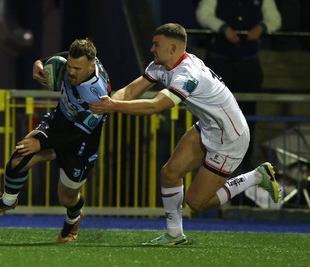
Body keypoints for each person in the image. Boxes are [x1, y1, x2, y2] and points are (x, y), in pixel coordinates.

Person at [89, 23, 280, 246]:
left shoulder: (188, 74)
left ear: (172, 48)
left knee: (196, 203)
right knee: (170, 173)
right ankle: (174, 234)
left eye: (156, 44)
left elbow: (156, 106)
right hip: (209, 127)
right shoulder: (161, 65)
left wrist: (113, 107)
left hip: (231, 138)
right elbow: (131, 90)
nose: (151, 49)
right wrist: (106, 102)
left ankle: (257, 176)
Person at [0, 38, 111, 243]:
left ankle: (74, 218)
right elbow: (63, 57)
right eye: (70, 66)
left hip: (81, 144)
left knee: (66, 197)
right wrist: (39, 62)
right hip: (58, 123)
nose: (71, 72)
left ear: (92, 67)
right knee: (20, 155)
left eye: (77, 68)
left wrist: (42, 144)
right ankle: (8, 200)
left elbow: (78, 134)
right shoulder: (80, 61)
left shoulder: (97, 94)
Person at [195, 0, 281, 171]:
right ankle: (210, 161)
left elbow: (275, 19)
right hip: (219, 64)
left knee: (247, 114)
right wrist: (223, 28)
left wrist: (262, 27)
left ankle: (243, 161)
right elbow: (204, 14)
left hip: (248, 65)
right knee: (214, 114)